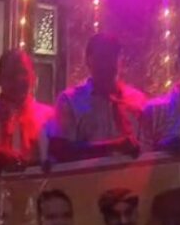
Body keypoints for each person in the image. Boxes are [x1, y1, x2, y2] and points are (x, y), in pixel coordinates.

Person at [50, 34, 148, 163]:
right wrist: (113, 146)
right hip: (88, 175)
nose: (106, 65)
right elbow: (62, 151)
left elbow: (148, 146)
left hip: (133, 174)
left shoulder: (137, 99)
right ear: (88, 60)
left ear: (120, 61)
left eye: (111, 57)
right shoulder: (70, 100)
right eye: (101, 58)